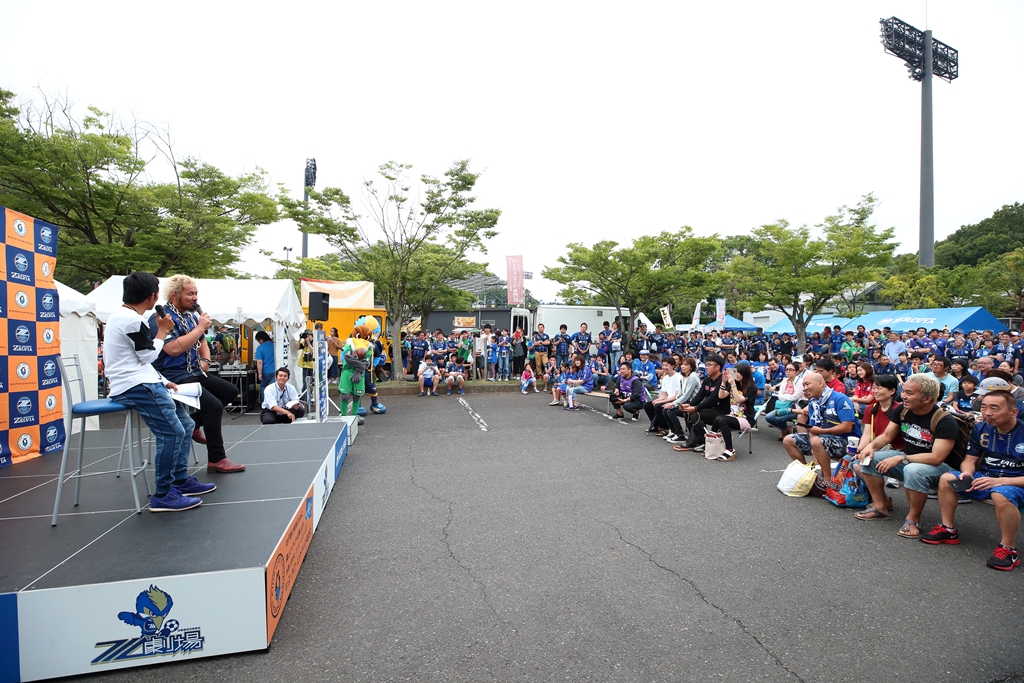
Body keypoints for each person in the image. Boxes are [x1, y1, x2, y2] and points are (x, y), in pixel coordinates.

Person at [105, 272, 214, 512]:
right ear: (152, 296)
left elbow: (138, 360)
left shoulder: (123, 316)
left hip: (144, 381)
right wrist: (162, 332)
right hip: (136, 386)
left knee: (186, 424)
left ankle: (179, 480)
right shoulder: (131, 320)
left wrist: (163, 380)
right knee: (173, 431)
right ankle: (163, 493)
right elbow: (148, 356)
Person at [150, 274, 244, 474]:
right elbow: (173, 349)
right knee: (213, 406)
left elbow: (202, 342)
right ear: (175, 295)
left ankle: (194, 423)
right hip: (172, 375)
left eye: (196, 293)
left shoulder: (191, 316)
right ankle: (217, 459)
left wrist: (206, 360)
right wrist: (200, 327)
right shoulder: (162, 317)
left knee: (230, 391)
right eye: (190, 294)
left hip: (194, 371)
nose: (195, 298)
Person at [925, 390, 1024, 569]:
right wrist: (967, 473)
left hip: (1016, 482)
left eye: (995, 408)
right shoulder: (980, 428)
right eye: (984, 407)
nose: (987, 413)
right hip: (987, 477)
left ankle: (1009, 549)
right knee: (947, 479)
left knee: (1001, 494)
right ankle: (948, 529)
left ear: (1013, 412)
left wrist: (1000, 482)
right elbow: (970, 460)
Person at [856, 375, 960, 538]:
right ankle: (880, 507)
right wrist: (870, 447)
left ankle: (913, 519)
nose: (902, 396)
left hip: (941, 468)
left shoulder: (944, 421)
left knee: (913, 470)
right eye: (903, 391)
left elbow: (937, 457)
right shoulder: (903, 410)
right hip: (910, 458)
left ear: (927, 398)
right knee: (870, 459)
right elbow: (887, 436)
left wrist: (902, 458)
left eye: (909, 393)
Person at [783, 372, 861, 477]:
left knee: (817, 441)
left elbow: (847, 427)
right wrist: (813, 443)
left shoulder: (840, 399)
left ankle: (827, 480)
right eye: (803, 386)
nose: (805, 388)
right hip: (824, 439)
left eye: (807, 384)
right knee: (788, 440)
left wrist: (821, 433)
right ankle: (808, 475)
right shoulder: (813, 403)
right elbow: (813, 428)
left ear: (820, 383)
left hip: (848, 442)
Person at [674, 354, 731, 453]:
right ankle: (694, 439)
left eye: (709, 365)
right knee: (687, 412)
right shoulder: (707, 380)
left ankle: (705, 442)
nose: (706, 367)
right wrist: (690, 405)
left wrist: (695, 408)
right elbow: (700, 396)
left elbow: (713, 399)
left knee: (695, 414)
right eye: (706, 364)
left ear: (717, 367)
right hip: (709, 409)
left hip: (721, 411)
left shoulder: (723, 381)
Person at [708, 363, 759, 461]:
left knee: (722, 420)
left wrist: (733, 385)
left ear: (745, 373)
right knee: (717, 419)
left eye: (740, 372)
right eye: (735, 372)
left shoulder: (752, 388)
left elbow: (739, 399)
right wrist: (723, 383)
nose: (737, 374)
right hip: (733, 415)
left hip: (746, 419)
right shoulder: (734, 384)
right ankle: (714, 446)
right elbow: (721, 396)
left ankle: (730, 449)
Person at [664, 356, 702, 444]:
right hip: (685, 402)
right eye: (682, 364)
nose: (683, 366)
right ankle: (674, 432)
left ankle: (680, 435)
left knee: (671, 411)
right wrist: (672, 403)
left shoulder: (693, 377)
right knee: (665, 409)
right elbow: (680, 394)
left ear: (691, 367)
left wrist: (673, 404)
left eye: (686, 365)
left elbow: (686, 395)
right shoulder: (683, 377)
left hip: (693, 403)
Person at [764, 360, 805, 440]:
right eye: (787, 369)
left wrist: (785, 396)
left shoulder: (800, 382)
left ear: (797, 372)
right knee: (768, 417)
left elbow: (795, 397)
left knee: (779, 419)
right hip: (783, 407)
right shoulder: (784, 381)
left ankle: (783, 431)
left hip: (795, 408)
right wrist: (788, 396)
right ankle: (786, 429)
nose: (788, 371)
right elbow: (780, 396)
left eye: (791, 369)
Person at [643, 356, 683, 435]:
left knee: (658, 406)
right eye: (663, 365)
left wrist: (660, 402)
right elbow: (664, 394)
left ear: (672, 366)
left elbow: (675, 396)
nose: (664, 367)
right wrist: (657, 400)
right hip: (668, 399)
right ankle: (656, 426)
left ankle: (665, 428)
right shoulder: (665, 378)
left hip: (675, 401)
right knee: (647, 405)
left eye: (666, 365)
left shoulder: (678, 377)